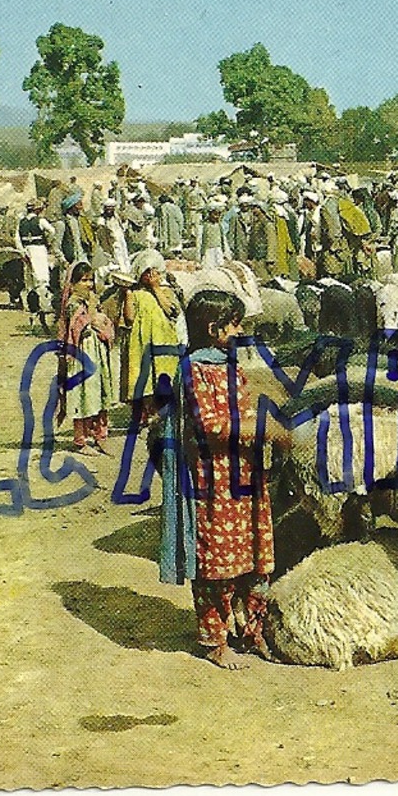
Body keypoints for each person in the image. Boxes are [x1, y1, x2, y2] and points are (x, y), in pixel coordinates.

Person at [162, 289, 289, 669]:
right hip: (213, 477)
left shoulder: (231, 367)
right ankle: (215, 640)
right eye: (234, 324)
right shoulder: (195, 370)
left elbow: (244, 412)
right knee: (216, 559)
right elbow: (211, 425)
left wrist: (258, 428)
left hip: (245, 471)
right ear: (215, 329)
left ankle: (253, 630)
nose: (239, 331)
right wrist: (263, 430)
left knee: (254, 552)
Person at [57, 262, 115, 455]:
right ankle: (81, 440)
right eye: (83, 280)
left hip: (97, 352)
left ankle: (101, 436)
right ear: (72, 284)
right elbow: (80, 326)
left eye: (90, 280)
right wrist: (92, 311)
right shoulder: (72, 303)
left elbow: (101, 321)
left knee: (100, 393)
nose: (89, 284)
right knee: (83, 396)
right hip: (82, 355)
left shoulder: (92, 300)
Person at [123, 248, 183, 421]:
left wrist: (156, 288)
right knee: (143, 377)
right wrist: (127, 294)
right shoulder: (135, 293)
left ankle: (162, 413)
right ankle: (144, 414)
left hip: (163, 340)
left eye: (153, 272)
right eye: (146, 272)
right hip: (141, 342)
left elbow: (172, 311)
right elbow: (129, 319)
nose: (150, 275)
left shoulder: (165, 291)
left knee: (163, 375)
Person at [16, 200, 56, 313]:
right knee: (41, 277)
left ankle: (29, 305)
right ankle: (45, 305)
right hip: (38, 250)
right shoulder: (40, 221)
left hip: (26, 250)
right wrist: (48, 242)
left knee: (29, 278)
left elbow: (17, 239)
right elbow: (52, 231)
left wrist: (22, 252)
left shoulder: (21, 222)